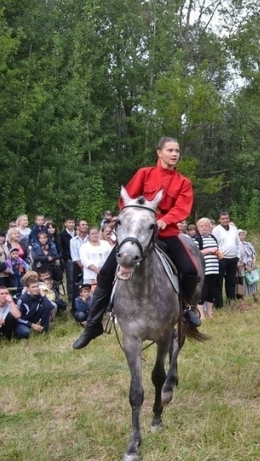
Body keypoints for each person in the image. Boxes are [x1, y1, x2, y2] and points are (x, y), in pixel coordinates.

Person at [73, 136, 203, 350]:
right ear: (159, 152)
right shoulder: (144, 174)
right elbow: (126, 199)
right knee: (105, 274)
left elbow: (183, 208)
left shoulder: (183, 182)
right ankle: (93, 325)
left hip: (166, 233)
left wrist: (164, 220)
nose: (174, 154)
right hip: (138, 234)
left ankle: (187, 308)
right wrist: (137, 217)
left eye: (177, 151)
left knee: (190, 269)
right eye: (170, 150)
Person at [194, 218, 221, 317]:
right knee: (203, 291)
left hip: (214, 269)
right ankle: (201, 314)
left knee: (211, 291)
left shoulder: (213, 238)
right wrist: (209, 250)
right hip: (204, 270)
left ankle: (209, 312)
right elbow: (196, 253)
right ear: (198, 228)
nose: (204, 228)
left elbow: (216, 250)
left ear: (210, 227)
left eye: (206, 225)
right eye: (201, 226)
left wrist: (218, 253)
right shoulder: (196, 239)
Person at [212, 211, 240, 304]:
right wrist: (220, 256)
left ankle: (231, 301)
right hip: (222, 259)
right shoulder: (216, 230)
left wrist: (238, 256)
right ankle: (219, 303)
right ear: (219, 220)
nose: (225, 220)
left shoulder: (234, 229)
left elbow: (238, 243)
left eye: (227, 218)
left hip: (233, 258)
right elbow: (214, 244)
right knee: (218, 282)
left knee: (231, 281)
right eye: (223, 219)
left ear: (229, 219)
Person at [16, 271, 56, 336]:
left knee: (45, 308)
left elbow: (51, 307)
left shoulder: (39, 295)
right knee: (25, 333)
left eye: (37, 286)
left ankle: (44, 331)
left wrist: (43, 295)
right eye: (33, 287)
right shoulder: (22, 299)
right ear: (27, 288)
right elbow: (17, 318)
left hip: (33, 317)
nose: (35, 289)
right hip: (23, 321)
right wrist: (31, 325)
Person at [238, 229, 259, 302]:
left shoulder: (248, 244)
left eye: (243, 235)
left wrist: (254, 262)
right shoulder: (237, 245)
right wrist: (245, 266)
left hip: (251, 263)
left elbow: (254, 254)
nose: (242, 236)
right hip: (242, 265)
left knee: (253, 280)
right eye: (240, 235)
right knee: (242, 282)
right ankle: (242, 300)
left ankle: (256, 297)